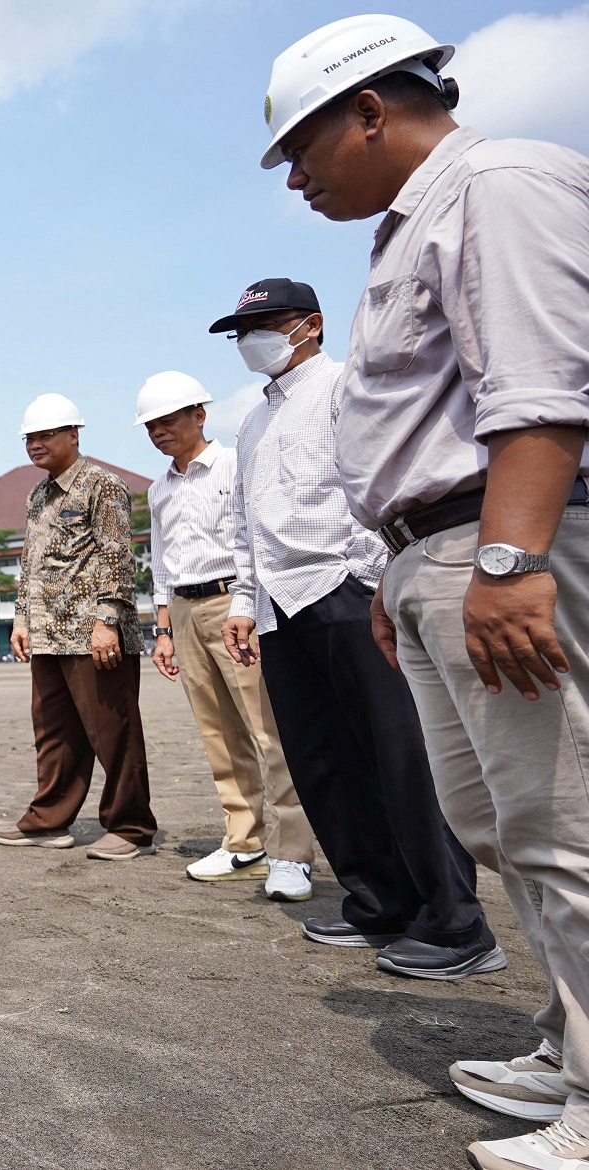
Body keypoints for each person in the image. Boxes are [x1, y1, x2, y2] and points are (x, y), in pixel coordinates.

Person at [264, 15, 589, 1165]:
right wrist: (398, 581)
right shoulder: (406, 232)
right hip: (427, 555)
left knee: (562, 821)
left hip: (491, 542)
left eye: (301, 148)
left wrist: (507, 560)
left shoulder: (495, 186)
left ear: (370, 110)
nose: (294, 177)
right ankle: (568, 1043)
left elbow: (542, 387)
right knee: (497, 824)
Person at [214, 273, 495, 979]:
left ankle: (456, 921)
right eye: (243, 331)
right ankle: (378, 900)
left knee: (399, 755)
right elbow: (247, 524)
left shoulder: (346, 388)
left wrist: (370, 576)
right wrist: (247, 602)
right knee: (323, 762)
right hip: (281, 604)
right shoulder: (251, 421)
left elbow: (372, 485)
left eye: (266, 324)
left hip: (344, 590)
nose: (252, 341)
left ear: (309, 324)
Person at [136, 372, 315, 897]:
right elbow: (161, 563)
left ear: (199, 415)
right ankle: (245, 842)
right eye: (151, 424)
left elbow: (251, 542)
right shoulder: (158, 488)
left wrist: (248, 605)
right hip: (186, 612)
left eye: (169, 419)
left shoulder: (235, 466)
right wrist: (163, 630)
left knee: (267, 730)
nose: (159, 431)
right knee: (218, 733)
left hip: (233, 602)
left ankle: (292, 853)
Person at [0, 393, 158, 861]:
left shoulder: (101, 485)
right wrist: (21, 618)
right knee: (54, 734)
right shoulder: (38, 495)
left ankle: (130, 827)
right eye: (30, 438)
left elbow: (116, 557)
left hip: (93, 635)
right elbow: (31, 563)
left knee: (113, 731)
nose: (36, 444)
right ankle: (48, 822)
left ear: (74, 435)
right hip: (47, 635)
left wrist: (108, 620)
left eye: (47, 435)